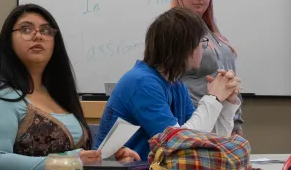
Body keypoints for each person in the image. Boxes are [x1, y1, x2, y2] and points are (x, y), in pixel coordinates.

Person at [0, 4, 139, 170]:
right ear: (8, 41)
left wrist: (105, 158)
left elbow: (70, 154)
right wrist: (70, 161)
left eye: (46, 30)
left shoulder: (55, 94)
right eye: (26, 29)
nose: (38, 35)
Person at [96, 8, 241, 161]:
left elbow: (203, 142)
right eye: (202, 42)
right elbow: (178, 144)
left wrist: (226, 105)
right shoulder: (142, 83)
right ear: (185, 48)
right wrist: (213, 98)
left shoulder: (176, 85)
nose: (203, 49)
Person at [171, 0, 246, 134]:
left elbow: (230, 81)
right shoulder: (173, 31)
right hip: (195, 121)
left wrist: (236, 123)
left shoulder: (211, 31)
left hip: (223, 119)